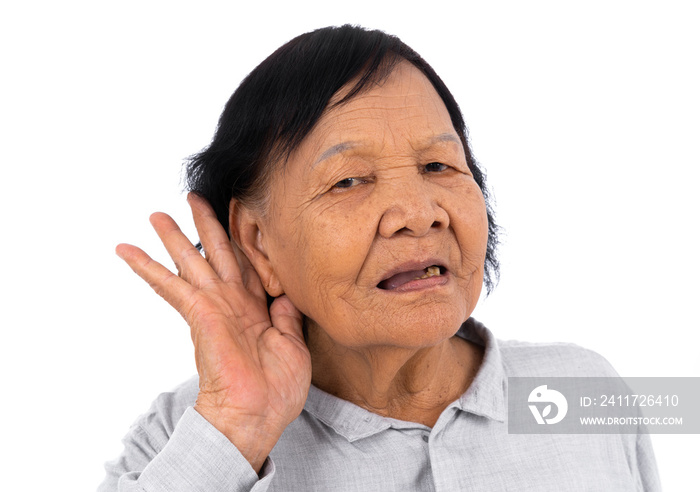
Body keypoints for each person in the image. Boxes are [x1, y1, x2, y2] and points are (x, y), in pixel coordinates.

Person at [101, 25, 660, 491]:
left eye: (439, 166)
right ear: (257, 242)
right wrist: (238, 425)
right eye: (349, 180)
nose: (420, 214)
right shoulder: (188, 432)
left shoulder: (586, 389)